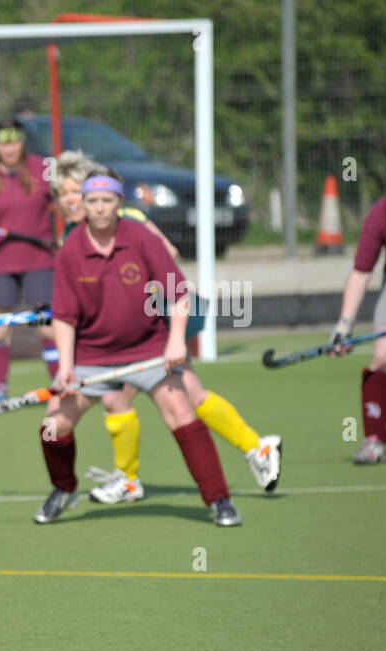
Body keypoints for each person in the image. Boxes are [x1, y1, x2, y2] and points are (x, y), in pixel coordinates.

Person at [50, 153, 281, 503]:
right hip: (133, 329)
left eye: (71, 191)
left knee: (157, 393)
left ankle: (131, 479)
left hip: (161, 315)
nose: (66, 201)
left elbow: (166, 252)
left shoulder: (126, 218)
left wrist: (139, 303)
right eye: (60, 194)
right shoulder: (73, 235)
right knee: (168, 392)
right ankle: (254, 447)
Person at [0, 115, 58, 404]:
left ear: (23, 142)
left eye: (15, 142)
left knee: (46, 325)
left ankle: (60, 384)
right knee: (0, 326)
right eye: (4, 144)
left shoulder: (43, 168)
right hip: (2, 261)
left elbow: (64, 200)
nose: (10, 149)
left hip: (40, 258)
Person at [329, 153, 386, 464]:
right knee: (383, 356)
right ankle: (374, 439)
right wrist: (344, 325)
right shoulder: (380, 216)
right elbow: (361, 273)